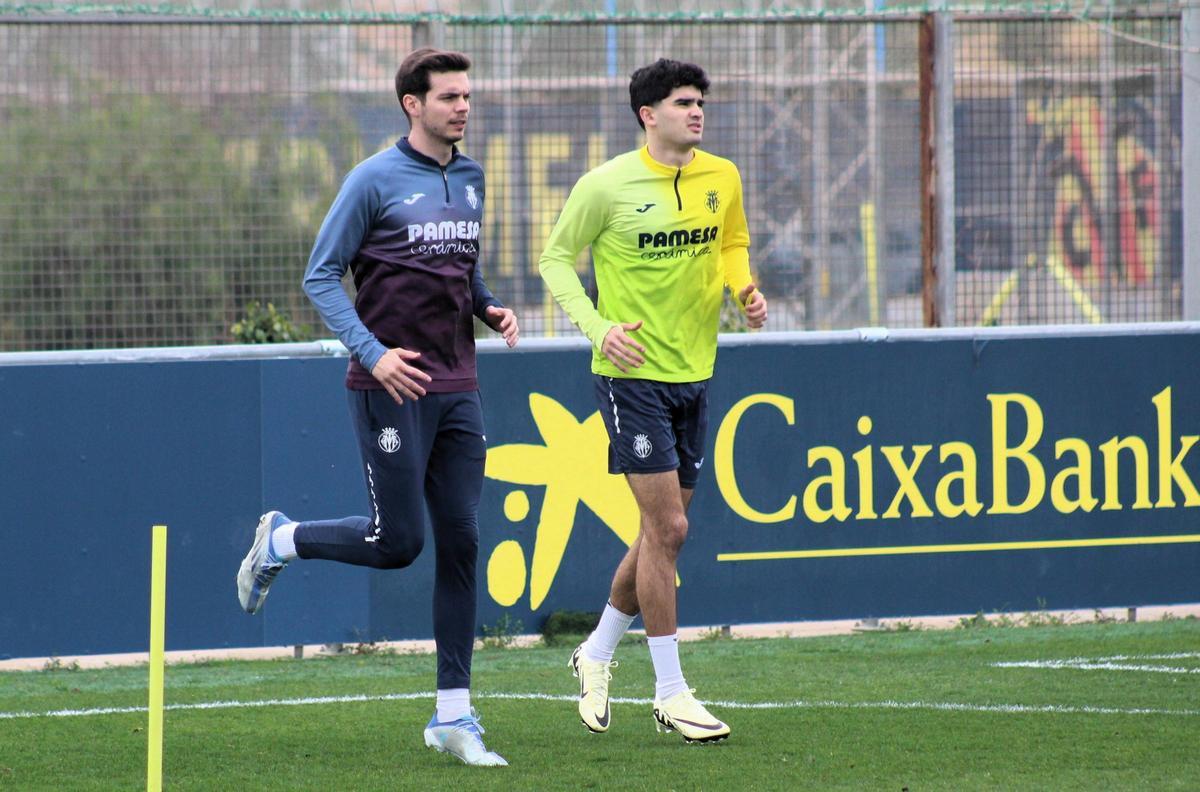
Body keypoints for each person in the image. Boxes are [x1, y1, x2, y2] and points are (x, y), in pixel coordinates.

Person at [236, 47, 517, 768]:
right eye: (449, 97)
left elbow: (463, 267)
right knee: (401, 544)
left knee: (461, 540)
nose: (462, 107)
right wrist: (373, 352)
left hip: (458, 387)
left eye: (466, 96)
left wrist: (487, 308)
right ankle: (281, 541)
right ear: (411, 105)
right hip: (389, 386)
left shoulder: (473, 178)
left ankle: (454, 716)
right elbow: (321, 276)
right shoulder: (373, 180)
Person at [538, 58, 767, 744]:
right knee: (670, 532)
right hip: (627, 375)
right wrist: (599, 326)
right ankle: (671, 692)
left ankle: (598, 650)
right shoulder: (604, 186)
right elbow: (555, 259)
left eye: (701, 101)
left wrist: (744, 287)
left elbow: (732, 240)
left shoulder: (720, 177)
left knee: (656, 535)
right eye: (683, 103)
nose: (697, 112)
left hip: (695, 373)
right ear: (649, 115)